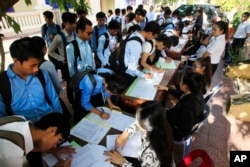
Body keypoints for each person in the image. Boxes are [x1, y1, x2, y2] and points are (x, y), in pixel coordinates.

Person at [0, 37, 62, 122]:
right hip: (24, 130)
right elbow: (2, 116)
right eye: (32, 66)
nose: (36, 69)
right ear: (16, 61)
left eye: (38, 64)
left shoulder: (42, 74)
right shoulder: (3, 82)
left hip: (49, 123)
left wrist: (59, 120)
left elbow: (54, 99)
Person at [104, 101, 174, 167]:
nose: (135, 122)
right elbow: (139, 123)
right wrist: (126, 133)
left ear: (145, 127)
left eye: (137, 120)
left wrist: (122, 162)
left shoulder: (151, 154)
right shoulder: (160, 125)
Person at [0, 113, 71, 167]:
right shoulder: (11, 156)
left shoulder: (19, 119)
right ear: (52, 131)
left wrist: (50, 149)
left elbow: (31, 145)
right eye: (58, 140)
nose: (55, 146)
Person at [156, 72, 207, 141]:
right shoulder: (197, 92)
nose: (179, 83)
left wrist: (170, 132)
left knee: (155, 113)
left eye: (181, 81)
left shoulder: (188, 108)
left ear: (185, 86)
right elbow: (181, 94)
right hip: (177, 117)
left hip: (174, 127)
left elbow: (185, 131)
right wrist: (166, 88)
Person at [48, 12, 77, 79]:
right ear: (64, 23)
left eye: (74, 23)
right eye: (70, 24)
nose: (73, 26)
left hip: (75, 63)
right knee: (69, 83)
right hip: (66, 65)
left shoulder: (75, 35)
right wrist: (62, 59)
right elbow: (50, 51)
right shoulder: (59, 37)